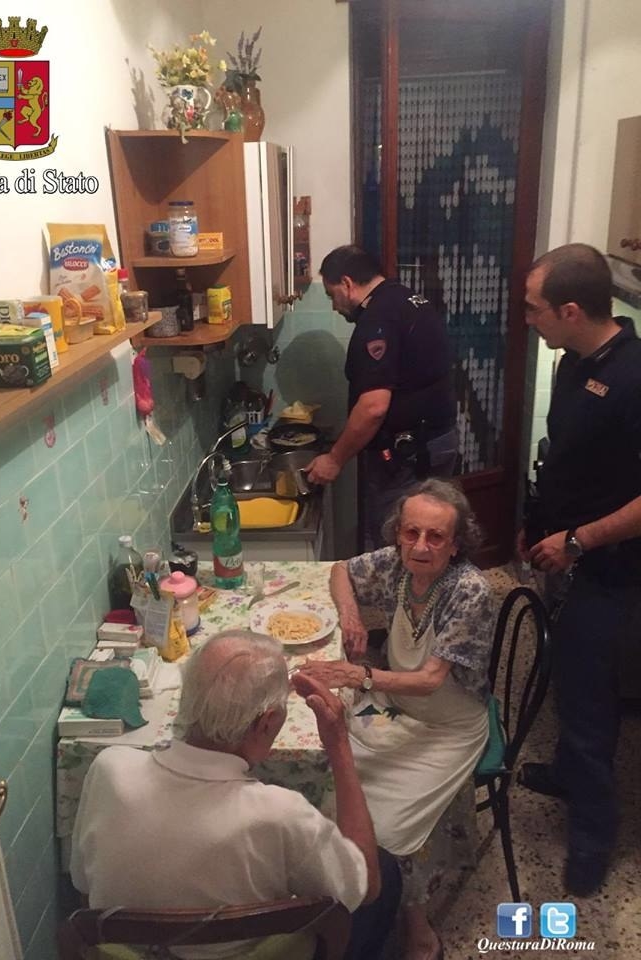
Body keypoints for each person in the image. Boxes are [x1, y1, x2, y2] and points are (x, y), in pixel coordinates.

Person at [70, 630, 401, 960]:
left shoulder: (109, 768)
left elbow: (84, 885)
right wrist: (339, 746)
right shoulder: (281, 813)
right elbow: (366, 886)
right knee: (383, 868)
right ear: (267, 724)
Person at [299, 478, 494, 960]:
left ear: (455, 544)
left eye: (436, 537)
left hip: (449, 726)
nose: (420, 547)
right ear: (399, 532)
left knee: (388, 828)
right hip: (398, 707)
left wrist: (359, 674)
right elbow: (341, 569)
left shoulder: (468, 589)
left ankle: (418, 927)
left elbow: (430, 679)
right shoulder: (396, 565)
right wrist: (351, 616)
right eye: (411, 533)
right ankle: (335, 895)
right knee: (327, 765)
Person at [517, 242, 641, 896]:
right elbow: (564, 456)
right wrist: (537, 523)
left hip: (613, 570)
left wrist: (578, 541)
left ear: (570, 309)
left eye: (534, 309)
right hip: (562, 550)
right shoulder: (571, 363)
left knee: (592, 705)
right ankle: (565, 772)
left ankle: (593, 839)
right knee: (566, 675)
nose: (527, 319)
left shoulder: (634, 379)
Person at [306, 245, 457, 548]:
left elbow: (374, 407)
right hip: (436, 442)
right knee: (429, 540)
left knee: (395, 543)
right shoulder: (404, 298)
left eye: (331, 295)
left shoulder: (377, 320)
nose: (334, 306)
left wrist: (334, 459)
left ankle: (392, 597)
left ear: (347, 284)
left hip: (408, 457)